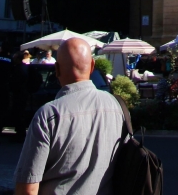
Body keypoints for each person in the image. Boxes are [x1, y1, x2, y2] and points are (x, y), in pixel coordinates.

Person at [13, 37, 123, 195]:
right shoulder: (115, 106)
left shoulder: (49, 115)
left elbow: (28, 189)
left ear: (57, 69)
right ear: (92, 66)